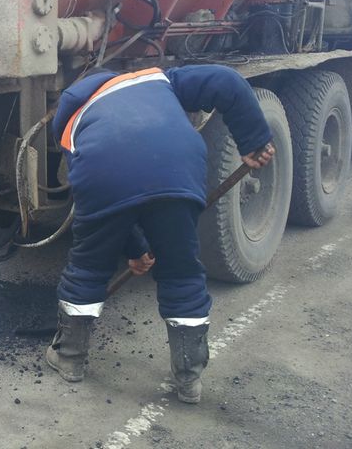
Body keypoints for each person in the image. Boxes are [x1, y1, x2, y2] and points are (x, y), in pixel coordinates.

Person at [45, 65, 275, 403]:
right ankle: (188, 379)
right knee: (182, 271)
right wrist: (253, 140)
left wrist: (133, 250)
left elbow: (105, 207)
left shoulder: (69, 120)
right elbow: (227, 81)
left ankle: (69, 358)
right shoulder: (159, 79)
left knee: (88, 266)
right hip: (177, 165)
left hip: (103, 169)